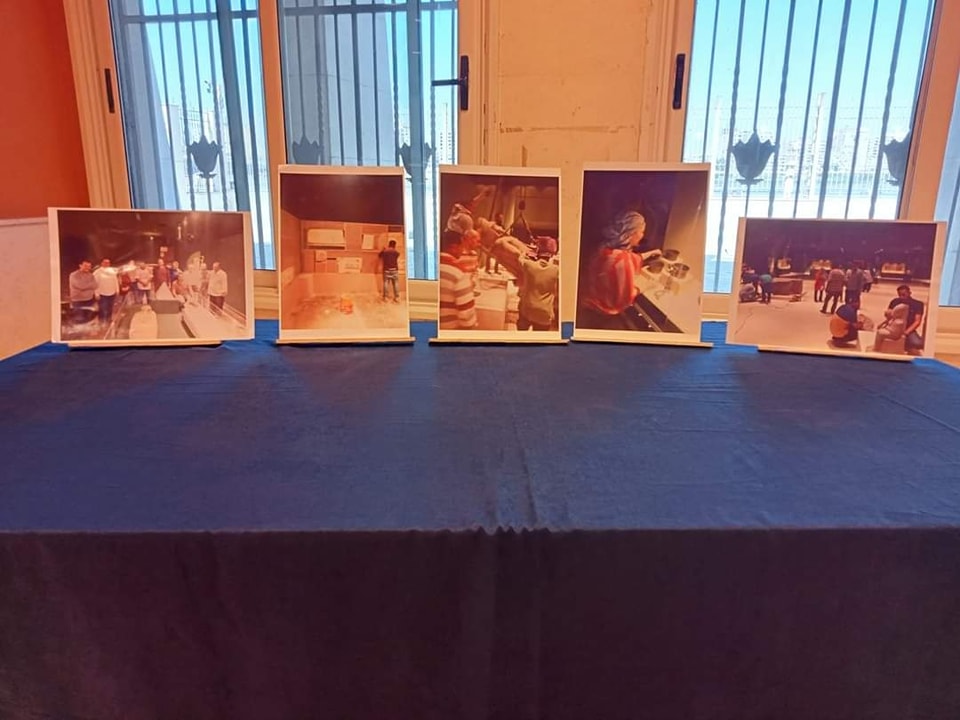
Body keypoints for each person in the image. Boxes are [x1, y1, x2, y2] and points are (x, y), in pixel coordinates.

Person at [578, 210, 660, 330]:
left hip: (587, 309)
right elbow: (625, 297)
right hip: (602, 316)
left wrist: (650, 254)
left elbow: (629, 258)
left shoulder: (604, 248)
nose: (642, 235)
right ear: (631, 233)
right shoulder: (623, 261)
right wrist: (646, 286)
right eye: (641, 231)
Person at [439, 229, 477, 330]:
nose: (462, 249)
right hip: (450, 331)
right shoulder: (459, 273)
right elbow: (466, 315)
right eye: (461, 246)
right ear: (454, 247)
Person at [887, 285, 925, 354]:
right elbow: (889, 316)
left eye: (904, 294)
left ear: (909, 293)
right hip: (895, 327)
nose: (901, 297)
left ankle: (906, 344)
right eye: (899, 295)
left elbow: (917, 321)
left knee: (918, 343)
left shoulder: (917, 304)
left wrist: (906, 333)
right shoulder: (895, 302)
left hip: (908, 328)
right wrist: (888, 313)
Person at [93, 258, 120, 324]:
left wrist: (117, 290)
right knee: (102, 309)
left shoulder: (112, 271)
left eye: (108, 263)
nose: (107, 264)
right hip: (102, 294)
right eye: (105, 262)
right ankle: (101, 322)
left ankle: (108, 320)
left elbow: (115, 281)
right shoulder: (97, 272)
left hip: (112, 293)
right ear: (101, 263)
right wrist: (96, 294)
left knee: (110, 308)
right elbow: (95, 284)